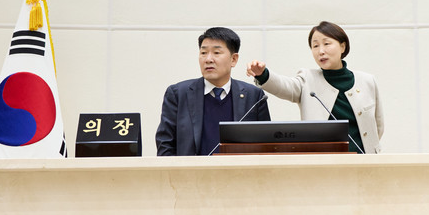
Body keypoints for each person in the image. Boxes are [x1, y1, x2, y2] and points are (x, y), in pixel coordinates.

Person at [246, 21, 383, 153]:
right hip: (322, 162)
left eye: (327, 44)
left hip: (363, 161)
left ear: (342, 47)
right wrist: (262, 74)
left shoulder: (367, 81)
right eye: (315, 46)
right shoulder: (307, 79)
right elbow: (283, 86)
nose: (321, 51)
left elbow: (378, 126)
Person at [156, 27, 270, 156]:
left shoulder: (254, 96)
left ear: (233, 59)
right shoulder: (178, 94)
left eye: (216, 52)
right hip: (191, 169)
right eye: (203, 53)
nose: (208, 59)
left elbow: (266, 146)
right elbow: (165, 145)